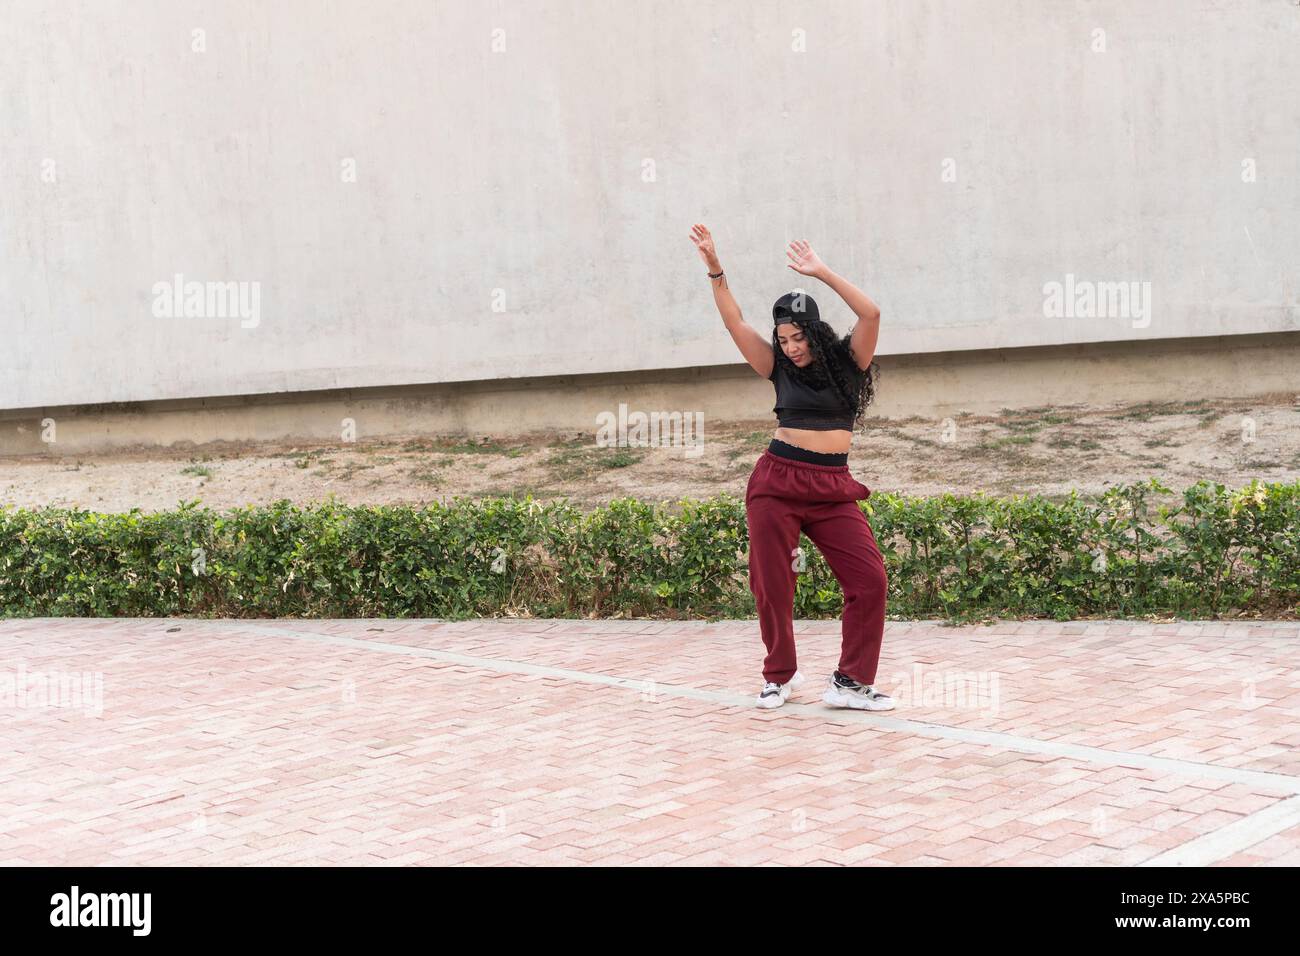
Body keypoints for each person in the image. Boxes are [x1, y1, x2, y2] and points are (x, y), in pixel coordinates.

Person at [689, 224, 895, 711]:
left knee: (869, 580)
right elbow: (734, 322)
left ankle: (850, 682)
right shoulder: (775, 366)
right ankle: (779, 675)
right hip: (776, 483)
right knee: (773, 581)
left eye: (797, 337)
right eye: (782, 339)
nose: (789, 347)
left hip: (832, 486)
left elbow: (872, 312)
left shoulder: (850, 360)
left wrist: (820, 271)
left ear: (816, 333)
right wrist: (715, 268)